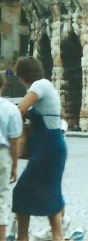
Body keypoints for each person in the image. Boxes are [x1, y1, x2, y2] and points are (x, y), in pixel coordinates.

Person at [12, 56, 68, 241]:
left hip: (47, 149)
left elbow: (19, 109)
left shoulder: (39, 85)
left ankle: (22, 237)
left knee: (21, 192)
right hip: (52, 147)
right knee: (51, 191)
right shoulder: (47, 85)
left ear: (23, 75)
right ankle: (57, 235)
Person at [0, 72, 22, 241]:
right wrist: (14, 165)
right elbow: (15, 141)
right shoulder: (10, 109)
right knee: (0, 199)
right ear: (3, 86)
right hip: (2, 155)